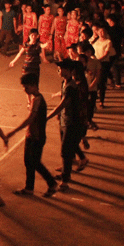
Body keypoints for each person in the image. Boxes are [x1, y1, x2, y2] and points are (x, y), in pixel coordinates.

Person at [6, 73, 58, 197]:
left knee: (35, 162)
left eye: (27, 87)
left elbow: (31, 118)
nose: (25, 90)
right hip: (31, 135)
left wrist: (15, 131)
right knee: (28, 162)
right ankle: (29, 188)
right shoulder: (35, 98)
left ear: (34, 85)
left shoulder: (39, 100)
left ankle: (52, 183)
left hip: (37, 136)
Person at [47, 59, 85, 192]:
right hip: (65, 121)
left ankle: (65, 180)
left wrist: (48, 116)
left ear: (69, 71)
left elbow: (63, 104)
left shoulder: (71, 86)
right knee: (66, 150)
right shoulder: (64, 82)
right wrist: (59, 116)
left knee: (66, 151)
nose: (59, 71)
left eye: (61, 69)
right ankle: (65, 173)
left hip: (72, 122)